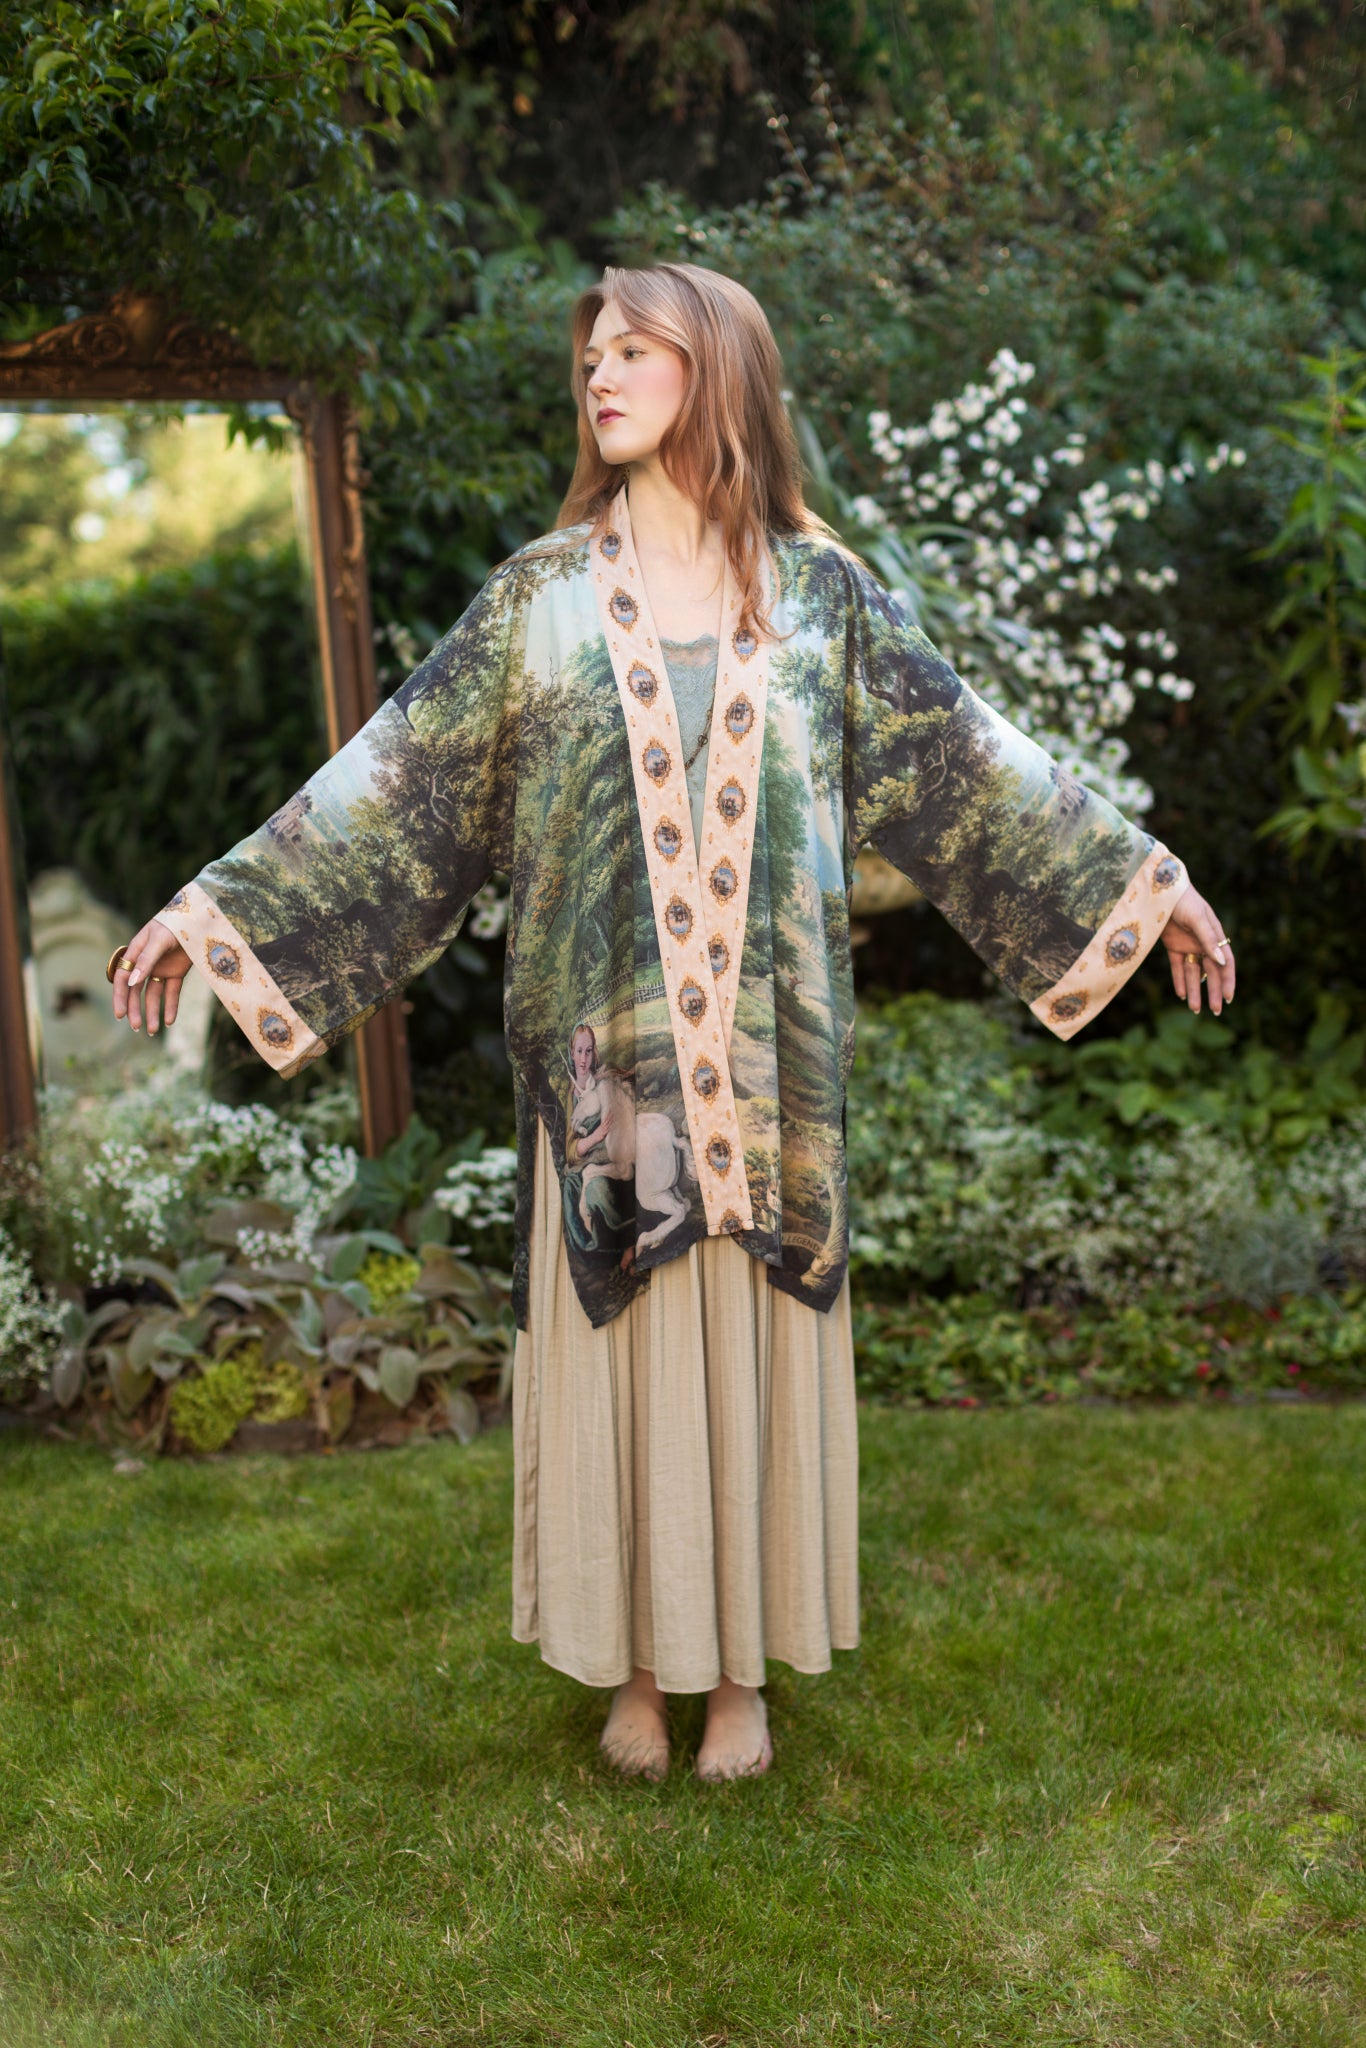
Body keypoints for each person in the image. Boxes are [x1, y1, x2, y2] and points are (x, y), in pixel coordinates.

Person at [110, 262, 1235, 1782]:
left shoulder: (823, 593)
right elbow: (398, 783)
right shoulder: (539, 598)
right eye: (593, 351)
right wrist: (218, 910)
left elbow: (968, 763)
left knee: (750, 1357)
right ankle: (638, 1672)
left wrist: (1144, 883)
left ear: (717, 371)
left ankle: (742, 1682)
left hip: (774, 1084)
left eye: (634, 348)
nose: (599, 372)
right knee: (628, 1357)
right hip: (605, 1083)